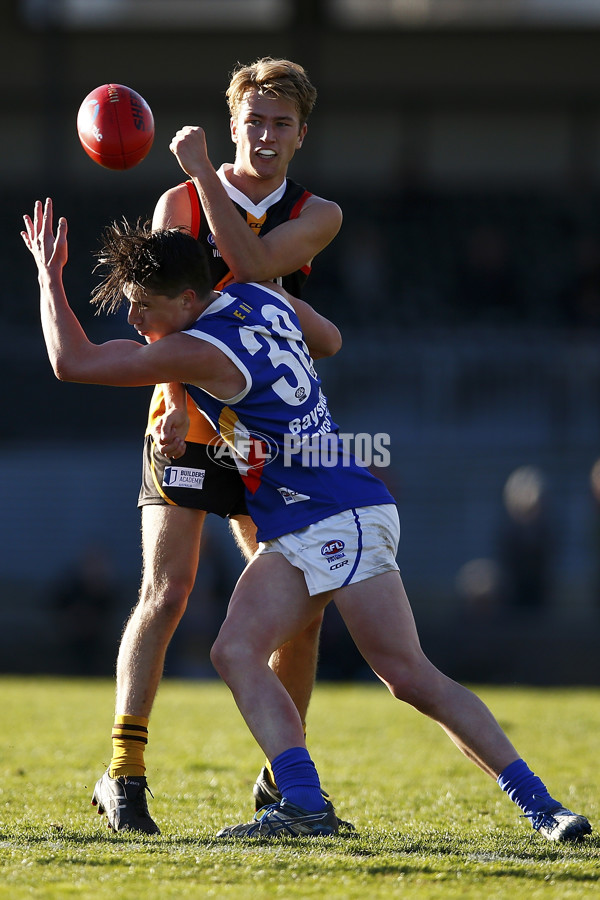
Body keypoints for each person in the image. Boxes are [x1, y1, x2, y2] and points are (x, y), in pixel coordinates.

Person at [22, 202, 592, 845]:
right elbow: (329, 340)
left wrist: (49, 274)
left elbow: (73, 362)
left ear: (186, 299)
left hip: (317, 517)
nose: (134, 320)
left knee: (260, 654)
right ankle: (544, 808)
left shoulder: (199, 351)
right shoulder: (261, 300)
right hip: (354, 503)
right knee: (404, 675)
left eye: (142, 306)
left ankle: (302, 802)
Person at [101, 58, 344, 833]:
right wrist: (170, 397)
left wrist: (207, 169)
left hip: (266, 435)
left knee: (300, 616)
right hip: (188, 416)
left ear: (301, 135)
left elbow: (255, 264)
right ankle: (124, 772)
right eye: (253, 121)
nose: (265, 136)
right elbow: (155, 316)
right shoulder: (178, 199)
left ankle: (284, 782)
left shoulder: (318, 212)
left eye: (280, 124)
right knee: (166, 591)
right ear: (233, 121)